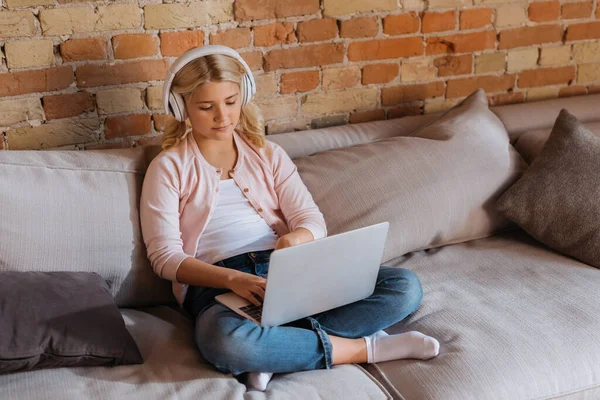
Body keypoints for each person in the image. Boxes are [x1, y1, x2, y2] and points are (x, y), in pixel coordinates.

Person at [140, 45, 440, 392]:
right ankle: (363, 348)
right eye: (206, 107)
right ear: (181, 108)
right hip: (218, 285)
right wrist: (233, 280)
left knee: (403, 287)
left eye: (231, 101)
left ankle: (276, 352)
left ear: (244, 96)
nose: (223, 116)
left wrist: (293, 240)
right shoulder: (167, 167)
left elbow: (311, 219)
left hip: (286, 271)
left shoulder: (268, 154)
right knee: (227, 343)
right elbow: (165, 259)